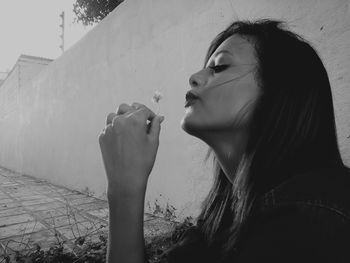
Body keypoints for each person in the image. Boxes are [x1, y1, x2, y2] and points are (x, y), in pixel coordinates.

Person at [98, 19, 350, 263]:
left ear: (279, 89)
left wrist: (124, 191)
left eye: (219, 67)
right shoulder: (229, 209)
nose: (194, 77)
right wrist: (124, 186)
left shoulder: (310, 223)